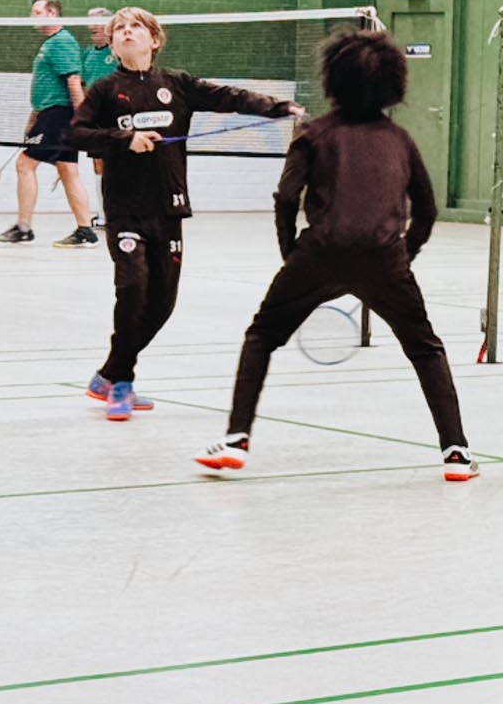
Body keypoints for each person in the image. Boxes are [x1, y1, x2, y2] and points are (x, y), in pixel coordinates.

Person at [194, 28, 475, 481]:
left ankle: (236, 438)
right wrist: (404, 255)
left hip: (319, 255)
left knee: (263, 335)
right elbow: (426, 207)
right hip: (385, 260)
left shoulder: (313, 135)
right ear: (393, 84)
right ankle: (456, 452)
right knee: (425, 349)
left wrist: (292, 256)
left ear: (333, 78)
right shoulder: (401, 140)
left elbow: (286, 198)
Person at [70, 7, 303, 421]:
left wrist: (277, 108)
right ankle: (121, 382)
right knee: (133, 287)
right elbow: (77, 132)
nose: (125, 32)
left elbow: (229, 97)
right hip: (125, 210)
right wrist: (125, 139)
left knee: (162, 303)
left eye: (134, 27)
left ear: (154, 40)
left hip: (169, 208)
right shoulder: (105, 90)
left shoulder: (176, 84)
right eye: (118, 29)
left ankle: (108, 372)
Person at [0, 0, 98, 249]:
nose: (32, 16)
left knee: (24, 164)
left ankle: (23, 228)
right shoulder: (52, 43)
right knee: (68, 171)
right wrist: (33, 119)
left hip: (58, 115)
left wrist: (82, 119)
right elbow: (46, 87)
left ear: (52, 14)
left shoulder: (61, 42)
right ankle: (85, 230)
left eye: (37, 12)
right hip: (51, 114)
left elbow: (73, 81)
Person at [80, 8, 118, 228]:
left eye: (98, 22)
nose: (93, 26)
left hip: (116, 116)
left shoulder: (117, 53)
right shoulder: (87, 54)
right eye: (90, 23)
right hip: (96, 118)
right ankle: (104, 214)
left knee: (121, 164)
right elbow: (84, 86)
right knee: (98, 165)